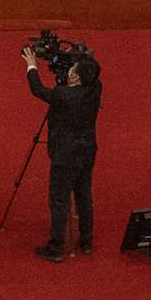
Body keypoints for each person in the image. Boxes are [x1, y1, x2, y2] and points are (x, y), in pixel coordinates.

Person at [23, 39, 101, 259]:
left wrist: (32, 64)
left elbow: (38, 90)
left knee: (59, 199)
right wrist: (72, 54)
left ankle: (56, 248)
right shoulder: (95, 88)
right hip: (87, 151)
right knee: (83, 194)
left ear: (75, 77)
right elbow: (91, 68)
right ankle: (86, 241)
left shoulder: (63, 95)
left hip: (65, 155)